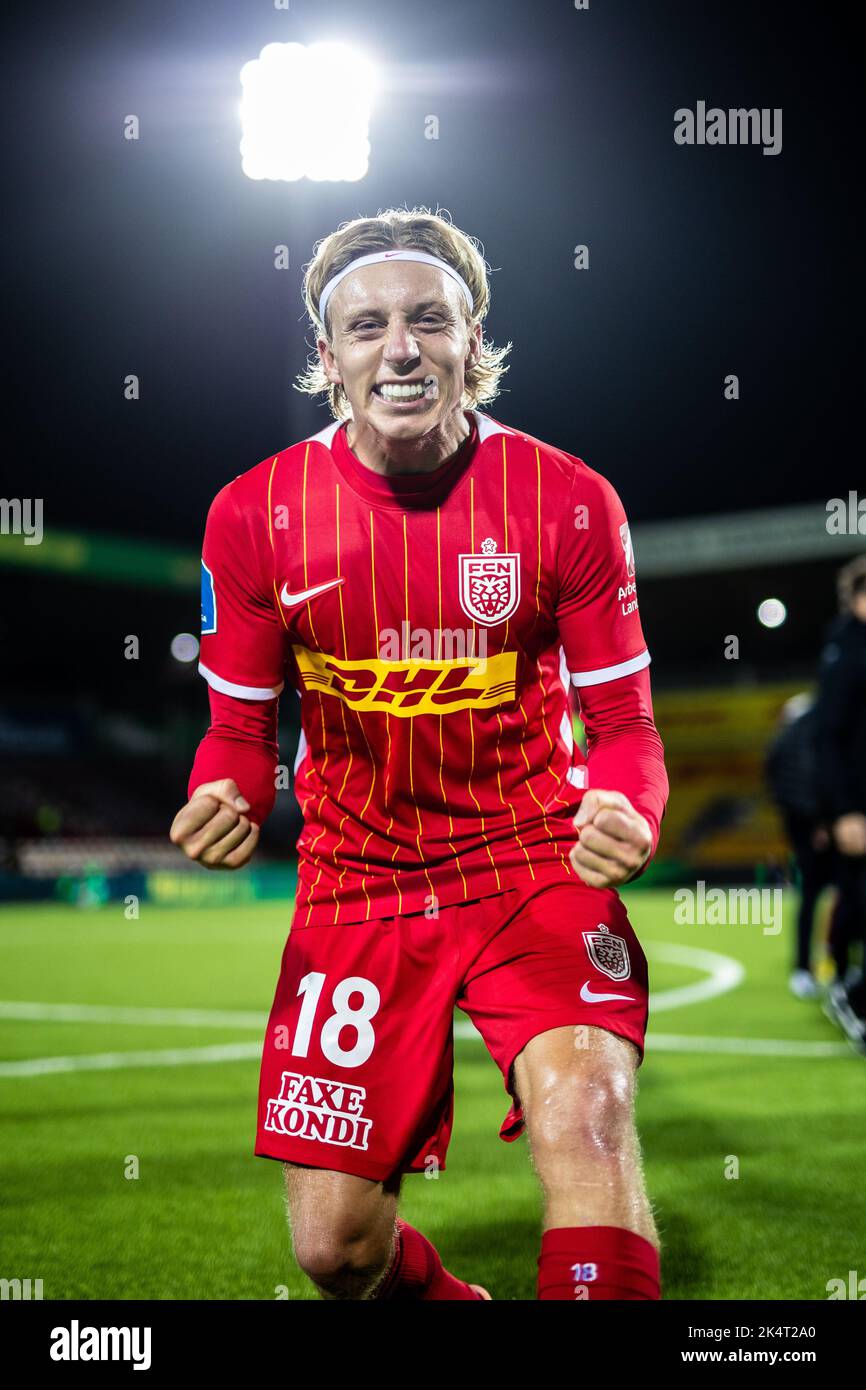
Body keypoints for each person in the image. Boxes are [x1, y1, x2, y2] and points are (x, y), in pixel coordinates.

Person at [169, 208, 669, 1299]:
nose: (398, 348)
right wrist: (225, 789)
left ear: (470, 338)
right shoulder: (252, 515)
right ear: (327, 357)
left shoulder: (569, 502)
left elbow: (625, 729)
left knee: (586, 1115)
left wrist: (627, 803)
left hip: (530, 861)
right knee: (334, 1252)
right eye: (367, 327)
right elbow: (240, 730)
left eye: (427, 320)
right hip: (356, 879)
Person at [814, 555, 866, 1050]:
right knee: (854, 897)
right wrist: (843, 810)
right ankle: (851, 994)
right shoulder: (845, 651)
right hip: (856, 804)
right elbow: (828, 738)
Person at [765, 693, 834, 998]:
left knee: (811, 898)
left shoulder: (787, 738)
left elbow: (776, 779)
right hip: (820, 828)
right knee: (836, 895)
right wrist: (820, 820)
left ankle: (808, 968)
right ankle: (831, 967)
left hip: (803, 826)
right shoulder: (812, 735)